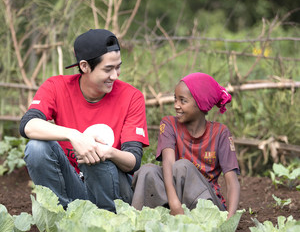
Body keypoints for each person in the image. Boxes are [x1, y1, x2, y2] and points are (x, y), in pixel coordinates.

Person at [19, 29, 149, 216]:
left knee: (94, 155)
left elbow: (133, 161)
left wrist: (108, 152)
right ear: (85, 66)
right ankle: (59, 222)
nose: (115, 75)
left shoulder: (131, 97)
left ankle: (107, 224)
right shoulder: (56, 87)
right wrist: (74, 136)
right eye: (108, 69)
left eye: (118, 67)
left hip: (113, 192)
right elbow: (28, 125)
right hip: (75, 189)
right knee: (37, 147)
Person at [131, 72, 240, 218]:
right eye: (175, 99)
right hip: (175, 200)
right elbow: (168, 162)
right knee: (147, 171)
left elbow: (232, 181)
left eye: (183, 101)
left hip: (207, 207)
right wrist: (174, 203)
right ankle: (137, 222)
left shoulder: (221, 133)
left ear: (201, 103)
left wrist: (230, 218)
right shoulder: (169, 124)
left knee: (182, 166)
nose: (176, 105)